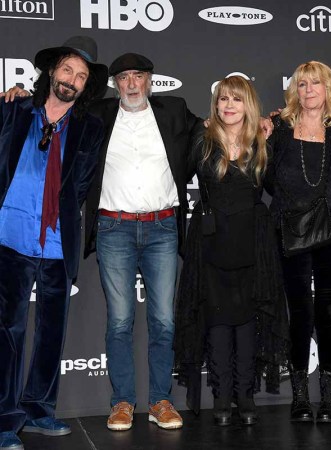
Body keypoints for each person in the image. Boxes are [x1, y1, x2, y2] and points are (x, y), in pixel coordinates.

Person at [84, 53, 204, 431]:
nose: (132, 84)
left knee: (164, 320)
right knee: (119, 321)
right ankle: (121, 402)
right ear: (114, 84)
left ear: (150, 81)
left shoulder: (174, 109)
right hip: (113, 228)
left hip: (162, 228)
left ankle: (160, 401)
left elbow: (218, 129)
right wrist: (25, 95)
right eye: (124, 78)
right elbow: (57, 109)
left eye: (139, 76)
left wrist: (263, 122)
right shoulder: (98, 114)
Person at [0, 36, 107, 450]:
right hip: (10, 234)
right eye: (67, 70)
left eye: (81, 76)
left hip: (58, 241)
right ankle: (5, 418)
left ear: (85, 86)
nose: (72, 80)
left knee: (50, 332)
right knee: (9, 329)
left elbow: (79, 187)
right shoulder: (14, 108)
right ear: (52, 72)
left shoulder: (90, 128)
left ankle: (40, 409)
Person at [174, 76, 289, 426]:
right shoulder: (202, 140)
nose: (228, 105)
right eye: (223, 99)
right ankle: (221, 398)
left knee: (248, 321)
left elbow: (275, 186)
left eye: (236, 100)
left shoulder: (262, 141)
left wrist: (274, 130)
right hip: (211, 242)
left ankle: (245, 396)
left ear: (248, 105)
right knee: (219, 321)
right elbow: (176, 171)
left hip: (253, 242)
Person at [266, 61, 331, 423]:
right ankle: (300, 396)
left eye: (316, 83)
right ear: (295, 91)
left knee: (329, 314)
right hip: (290, 227)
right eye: (303, 85)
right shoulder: (280, 129)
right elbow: (266, 178)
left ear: (328, 88)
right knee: (299, 312)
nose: (310, 90)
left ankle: (329, 399)